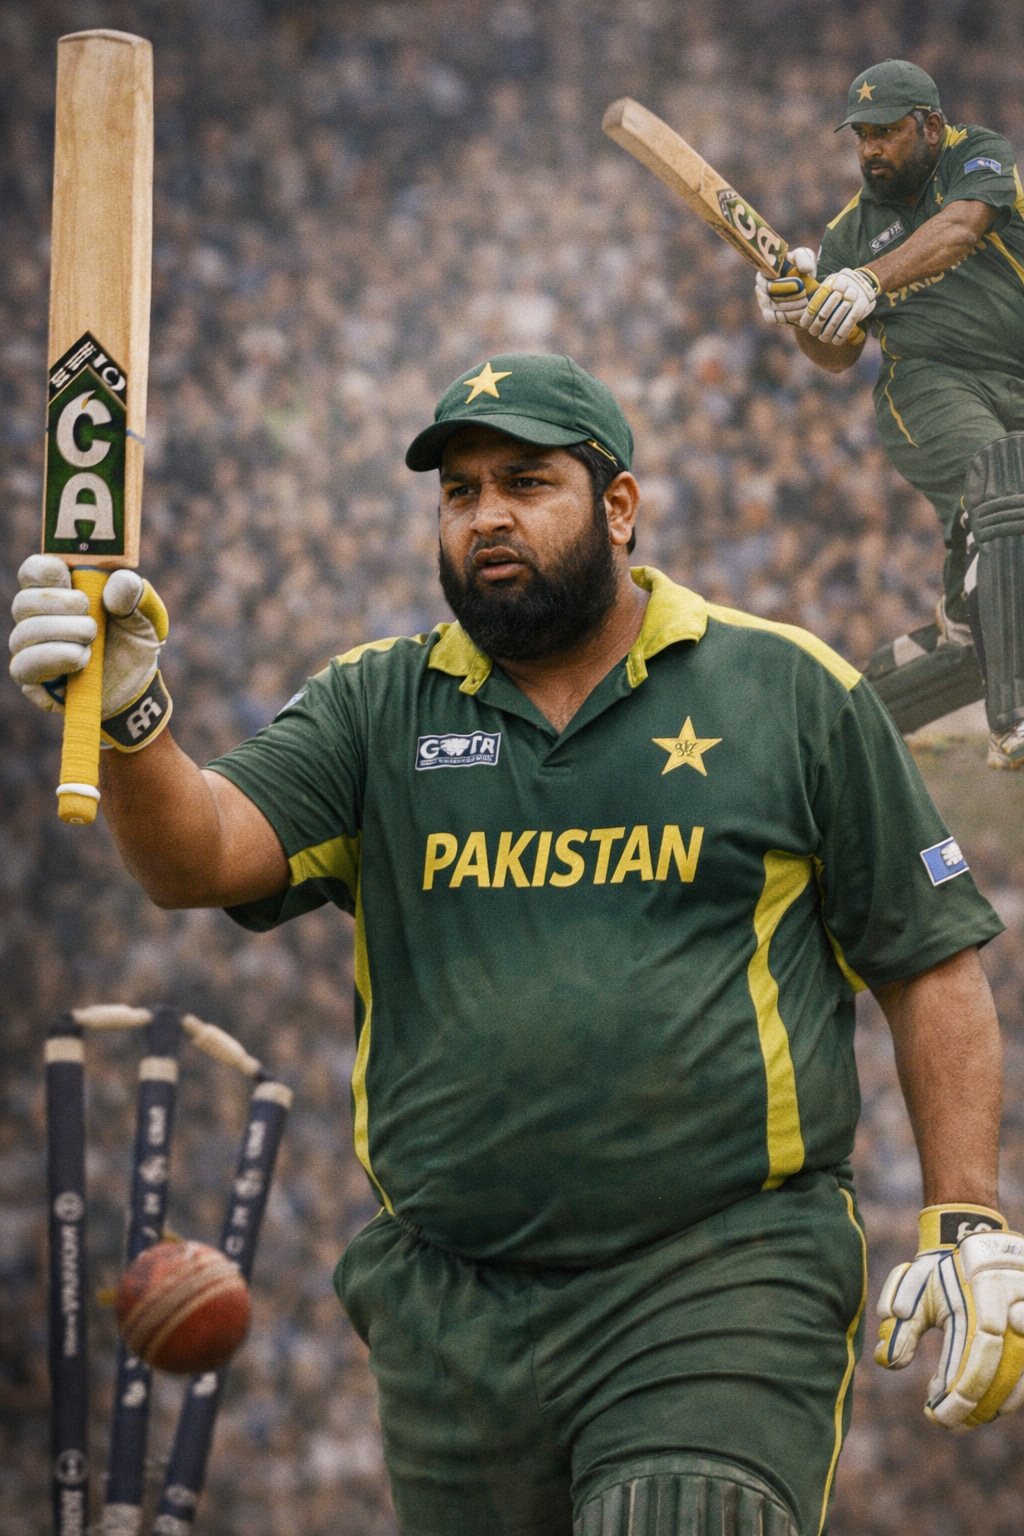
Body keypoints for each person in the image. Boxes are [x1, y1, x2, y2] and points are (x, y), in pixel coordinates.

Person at [9, 353, 1024, 1536]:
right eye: (459, 492)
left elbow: (926, 959)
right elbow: (198, 858)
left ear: (619, 506)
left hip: (720, 1274)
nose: (485, 515)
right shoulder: (375, 705)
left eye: (525, 482)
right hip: (451, 1314)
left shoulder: (787, 690)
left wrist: (966, 1218)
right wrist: (133, 720)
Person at [755, 58, 1024, 769]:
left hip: (1017, 378)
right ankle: (1016, 719)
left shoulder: (977, 154)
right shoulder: (849, 230)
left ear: (930, 126)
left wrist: (867, 279)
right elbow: (837, 354)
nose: (871, 149)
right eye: (861, 136)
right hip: (930, 387)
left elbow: (960, 227)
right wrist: (801, 312)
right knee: (1005, 485)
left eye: (887, 133)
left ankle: (824, 747)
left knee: (979, 627)